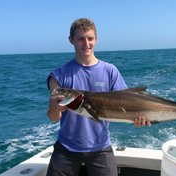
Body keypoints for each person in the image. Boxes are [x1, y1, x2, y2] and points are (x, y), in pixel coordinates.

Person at [46, 18, 151, 176]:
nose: (86, 43)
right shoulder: (59, 75)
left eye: (90, 38)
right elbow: (53, 117)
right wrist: (56, 109)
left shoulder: (110, 71)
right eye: (80, 38)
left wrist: (136, 118)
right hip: (66, 148)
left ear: (96, 39)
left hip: (100, 147)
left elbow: (126, 101)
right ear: (71, 40)